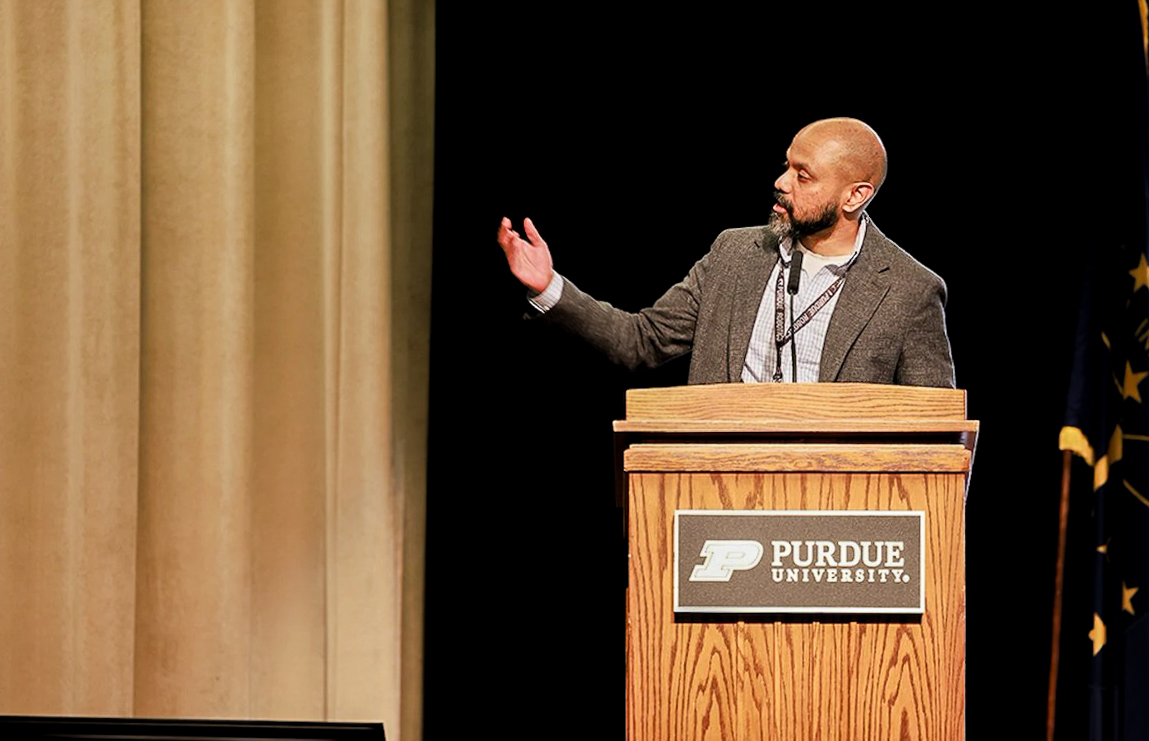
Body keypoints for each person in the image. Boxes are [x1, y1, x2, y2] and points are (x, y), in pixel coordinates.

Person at [495, 118, 955, 388]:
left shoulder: (908, 291)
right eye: (786, 166)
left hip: (836, 517)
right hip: (721, 491)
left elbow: (936, 435)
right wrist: (548, 287)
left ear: (854, 196)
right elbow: (640, 341)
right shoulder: (735, 254)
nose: (781, 182)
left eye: (804, 175)